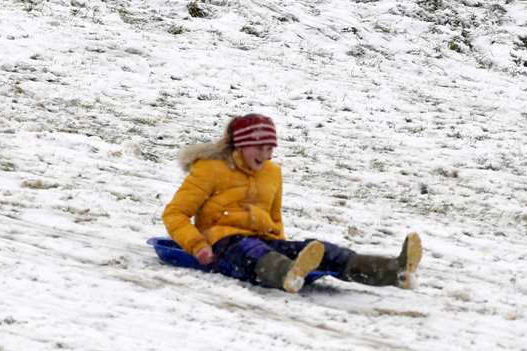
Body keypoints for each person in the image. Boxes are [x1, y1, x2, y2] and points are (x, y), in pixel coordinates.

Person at [161, 114, 423, 294]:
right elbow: (175, 214)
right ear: (241, 145)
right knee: (251, 250)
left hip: (262, 238)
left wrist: (285, 245)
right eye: (260, 148)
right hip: (222, 240)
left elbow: (274, 218)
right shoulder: (210, 170)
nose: (266, 155)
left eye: (270, 148)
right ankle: (286, 273)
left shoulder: (272, 173)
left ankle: (394, 271)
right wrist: (198, 246)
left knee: (320, 250)